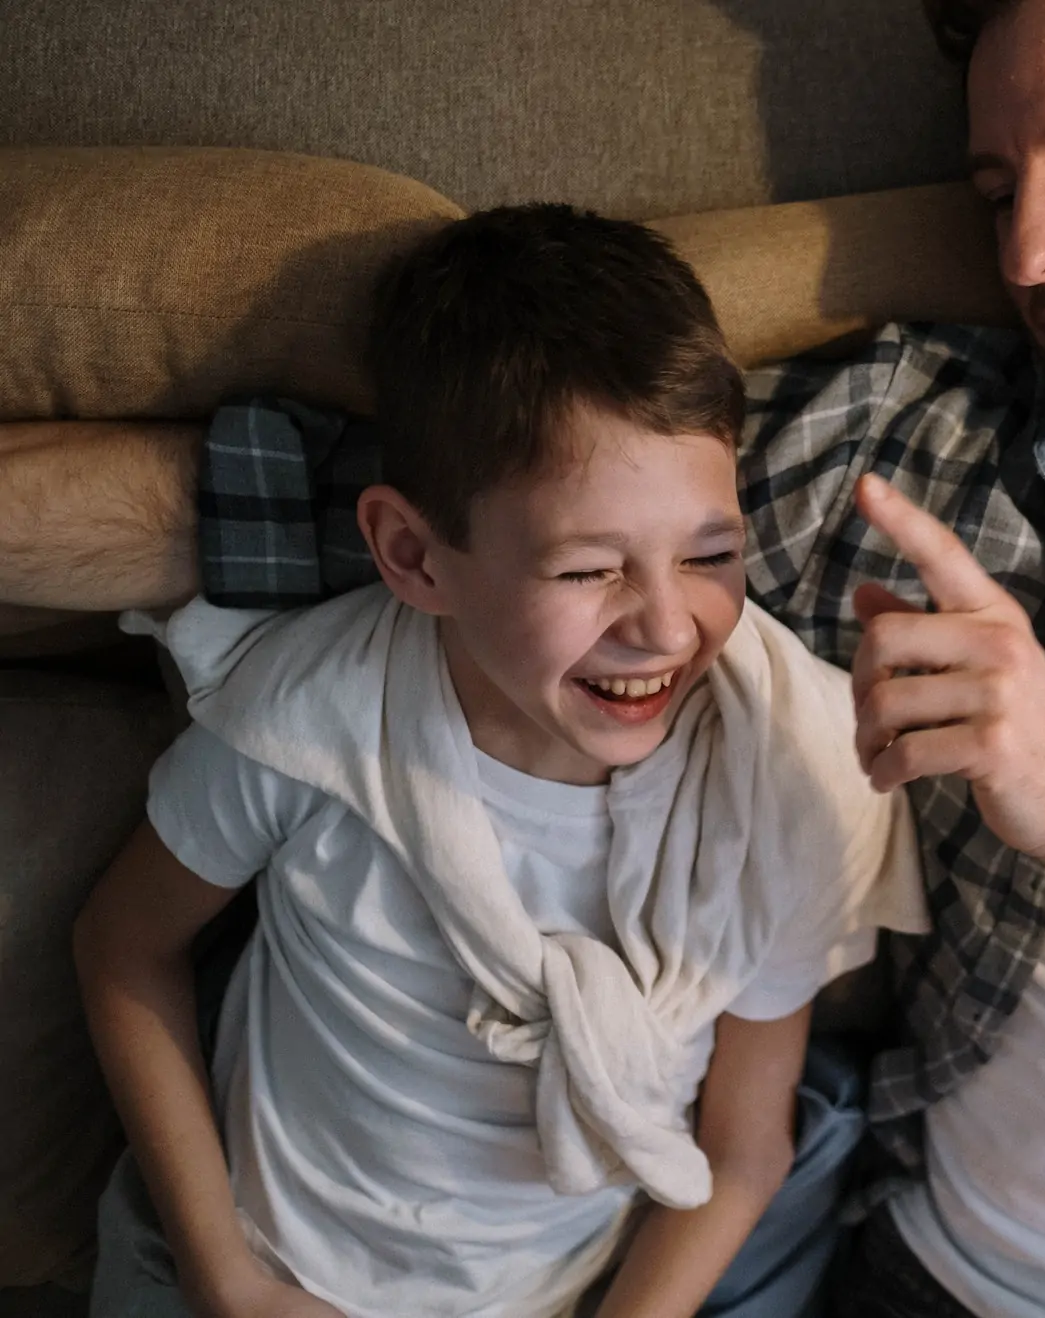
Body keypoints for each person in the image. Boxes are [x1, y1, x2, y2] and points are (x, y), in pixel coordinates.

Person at [0, 0, 1045, 1312]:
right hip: (930, 1272)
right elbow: (453, 504)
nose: (1028, 253)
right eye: (993, 187)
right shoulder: (914, 441)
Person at [67, 204, 924, 1318]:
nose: (667, 627)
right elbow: (121, 948)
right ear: (415, 555)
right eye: (586, 572)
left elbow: (746, 1145)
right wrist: (232, 1280)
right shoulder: (315, 722)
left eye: (710, 554)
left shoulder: (796, 774)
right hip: (268, 1261)